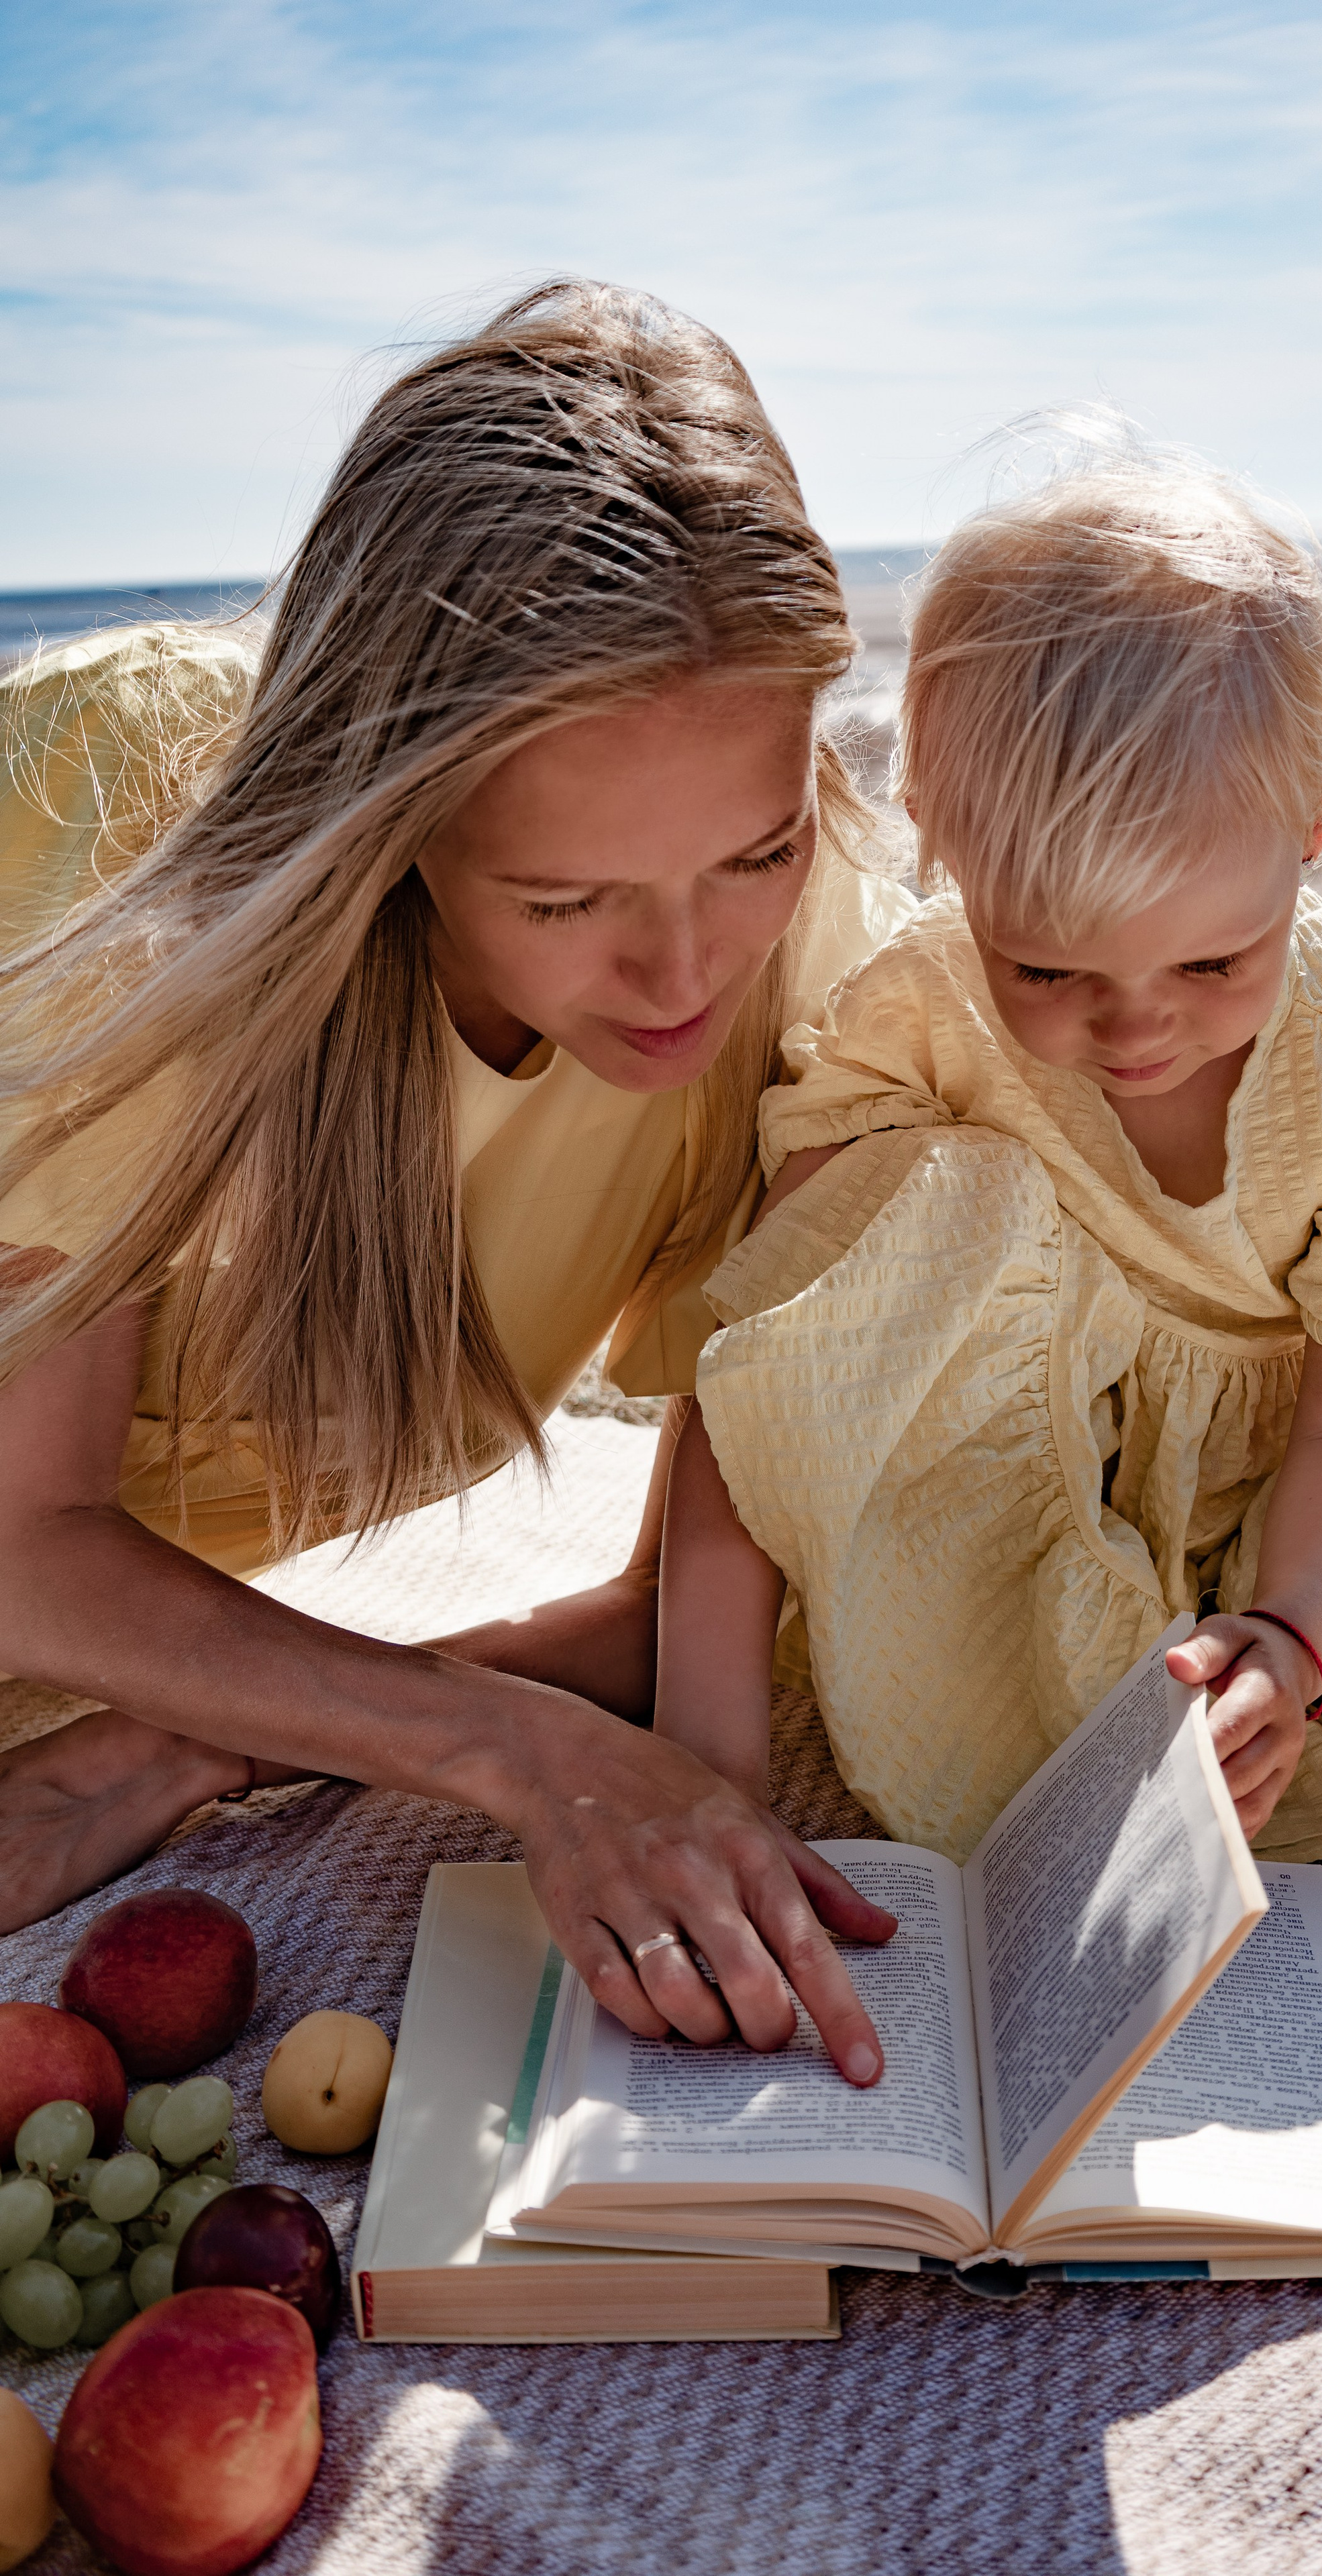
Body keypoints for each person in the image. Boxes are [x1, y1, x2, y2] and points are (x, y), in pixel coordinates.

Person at [0, 278, 912, 2082]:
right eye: (565, 901)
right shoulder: (140, 826)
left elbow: (683, 1613)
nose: (685, 976)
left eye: (756, 852)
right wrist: (507, 1745)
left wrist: (213, 1734)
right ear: (389, 816)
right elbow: (28, 1544)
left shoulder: (821, 979)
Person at [652, 451, 1322, 1864]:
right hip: (1005, 1498)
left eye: (1212, 961)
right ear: (940, 840)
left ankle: (1235, 1697)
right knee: (779, 1635)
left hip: (1309, 1490)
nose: (1133, 1027)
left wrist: (1292, 1641)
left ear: (1317, 826)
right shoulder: (910, 1020)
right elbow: (768, 1372)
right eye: (1043, 968)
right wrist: (710, 1767)